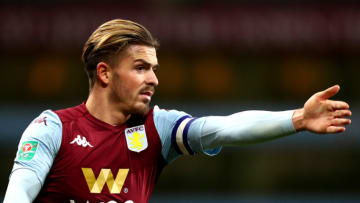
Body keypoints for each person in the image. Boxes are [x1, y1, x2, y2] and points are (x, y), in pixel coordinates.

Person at [4, 19, 351, 203]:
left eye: (154, 68)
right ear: (105, 73)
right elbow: (20, 191)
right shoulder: (53, 127)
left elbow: (225, 128)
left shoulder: (159, 127)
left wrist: (298, 119)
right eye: (140, 67)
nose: (153, 79)